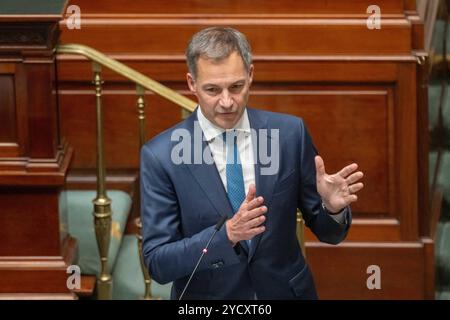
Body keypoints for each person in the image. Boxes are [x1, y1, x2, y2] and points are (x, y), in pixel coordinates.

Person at [141, 27, 364, 299]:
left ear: (251, 76)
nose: (226, 102)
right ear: (191, 83)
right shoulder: (161, 156)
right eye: (212, 89)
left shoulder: (289, 135)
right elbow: (158, 263)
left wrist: (331, 209)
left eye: (236, 87)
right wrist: (227, 236)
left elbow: (330, 234)